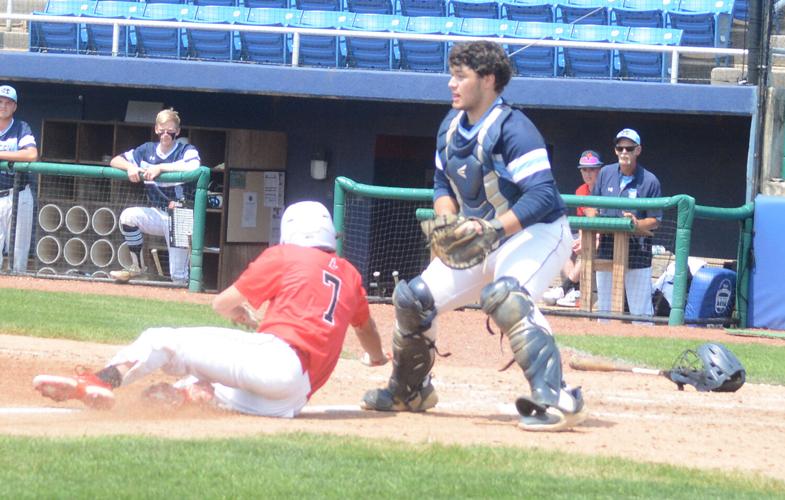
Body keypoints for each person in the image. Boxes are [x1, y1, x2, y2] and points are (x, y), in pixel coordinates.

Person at [361, 41, 586, 432]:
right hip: (481, 238)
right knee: (413, 299)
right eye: (452, 75)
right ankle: (410, 390)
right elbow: (440, 183)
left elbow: (544, 194)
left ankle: (558, 397)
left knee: (506, 296)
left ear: (489, 80)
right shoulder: (450, 126)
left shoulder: (515, 128)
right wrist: (447, 216)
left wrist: (495, 228)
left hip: (536, 233)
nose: (452, 84)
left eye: (461, 76)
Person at [33, 201, 389, 416]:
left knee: (162, 340)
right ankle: (189, 395)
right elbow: (367, 330)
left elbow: (223, 303)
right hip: (293, 398)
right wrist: (376, 358)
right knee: (195, 386)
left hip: (277, 359)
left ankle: (99, 381)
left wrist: (241, 313)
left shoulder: (286, 254)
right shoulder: (351, 275)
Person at [108, 108, 201, 286]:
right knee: (128, 216)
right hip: (158, 213)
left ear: (178, 131)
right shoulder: (146, 150)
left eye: (170, 130)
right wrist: (130, 167)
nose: (166, 134)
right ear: (157, 129)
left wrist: (161, 168)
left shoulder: (185, 150)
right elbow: (114, 160)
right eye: (162, 130)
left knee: (178, 276)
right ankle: (138, 266)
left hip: (181, 215)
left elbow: (194, 167)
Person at [584, 129, 662, 320]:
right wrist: (594, 219)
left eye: (629, 148)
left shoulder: (650, 180)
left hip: (637, 250)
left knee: (640, 311)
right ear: (616, 150)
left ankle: (644, 344)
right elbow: (590, 205)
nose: (624, 152)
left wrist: (636, 223)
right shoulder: (605, 173)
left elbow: (656, 220)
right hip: (607, 246)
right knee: (605, 308)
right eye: (620, 148)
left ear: (638, 150)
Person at [542, 150, 603, 308]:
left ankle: (565, 287)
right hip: (589, 235)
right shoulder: (580, 191)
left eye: (592, 169)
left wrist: (590, 239)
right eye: (584, 169)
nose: (588, 173)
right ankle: (572, 293)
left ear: (600, 170)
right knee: (563, 243)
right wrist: (580, 239)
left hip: (606, 238)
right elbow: (583, 222)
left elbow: (606, 223)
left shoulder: (606, 188)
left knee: (590, 245)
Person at [0, 84, 38, 273]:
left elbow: (31, 155)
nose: (3, 106)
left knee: (18, 254)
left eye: (8, 103)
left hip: (18, 195)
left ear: (14, 107)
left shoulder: (21, 127)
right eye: (0, 102)